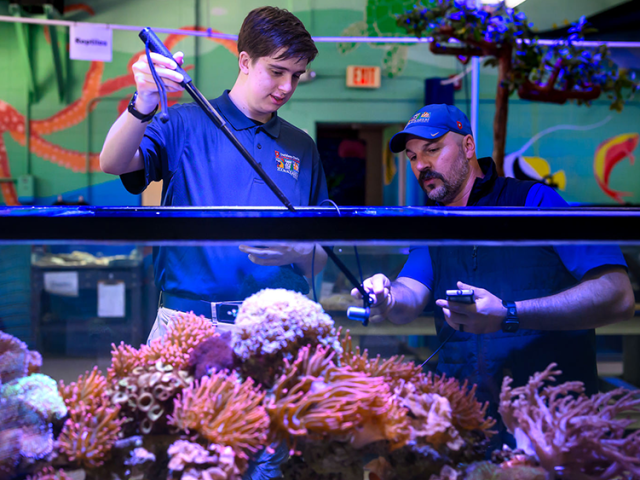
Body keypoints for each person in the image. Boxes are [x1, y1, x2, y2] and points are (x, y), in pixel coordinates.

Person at [353, 104, 635, 442]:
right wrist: (385, 296)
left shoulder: (534, 202)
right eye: (413, 157)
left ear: (469, 147)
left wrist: (509, 314)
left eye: (432, 149)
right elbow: (409, 296)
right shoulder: (433, 223)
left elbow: (617, 295)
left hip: (550, 424)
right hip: (466, 424)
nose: (421, 165)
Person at [100, 7, 328, 342]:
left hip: (279, 326)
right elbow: (113, 162)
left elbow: (321, 255)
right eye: (277, 71)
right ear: (245, 62)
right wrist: (145, 99)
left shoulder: (302, 145)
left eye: (296, 75)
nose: (286, 87)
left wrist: (298, 251)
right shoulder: (183, 122)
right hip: (189, 323)